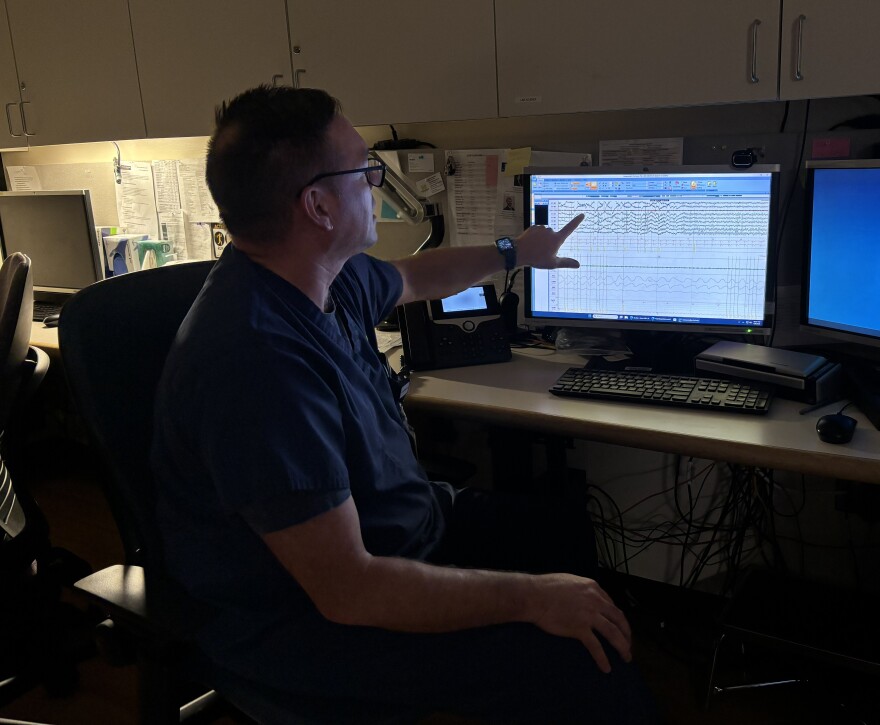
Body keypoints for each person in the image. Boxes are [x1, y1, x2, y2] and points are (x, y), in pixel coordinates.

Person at [151, 85, 657, 724]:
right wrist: (533, 598)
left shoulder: (321, 277)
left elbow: (416, 277)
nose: (376, 185)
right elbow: (348, 591)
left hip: (403, 534)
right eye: (365, 171)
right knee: (578, 668)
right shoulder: (256, 363)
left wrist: (517, 254)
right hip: (307, 626)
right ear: (318, 206)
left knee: (560, 531)